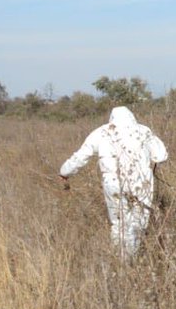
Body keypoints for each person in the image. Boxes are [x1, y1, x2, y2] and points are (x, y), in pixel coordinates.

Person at [59, 106, 169, 259]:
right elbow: (161, 155)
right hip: (141, 182)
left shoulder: (101, 132)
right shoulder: (143, 131)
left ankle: (120, 259)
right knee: (138, 222)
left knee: (118, 223)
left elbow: (80, 156)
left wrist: (65, 171)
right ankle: (131, 259)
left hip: (113, 183)